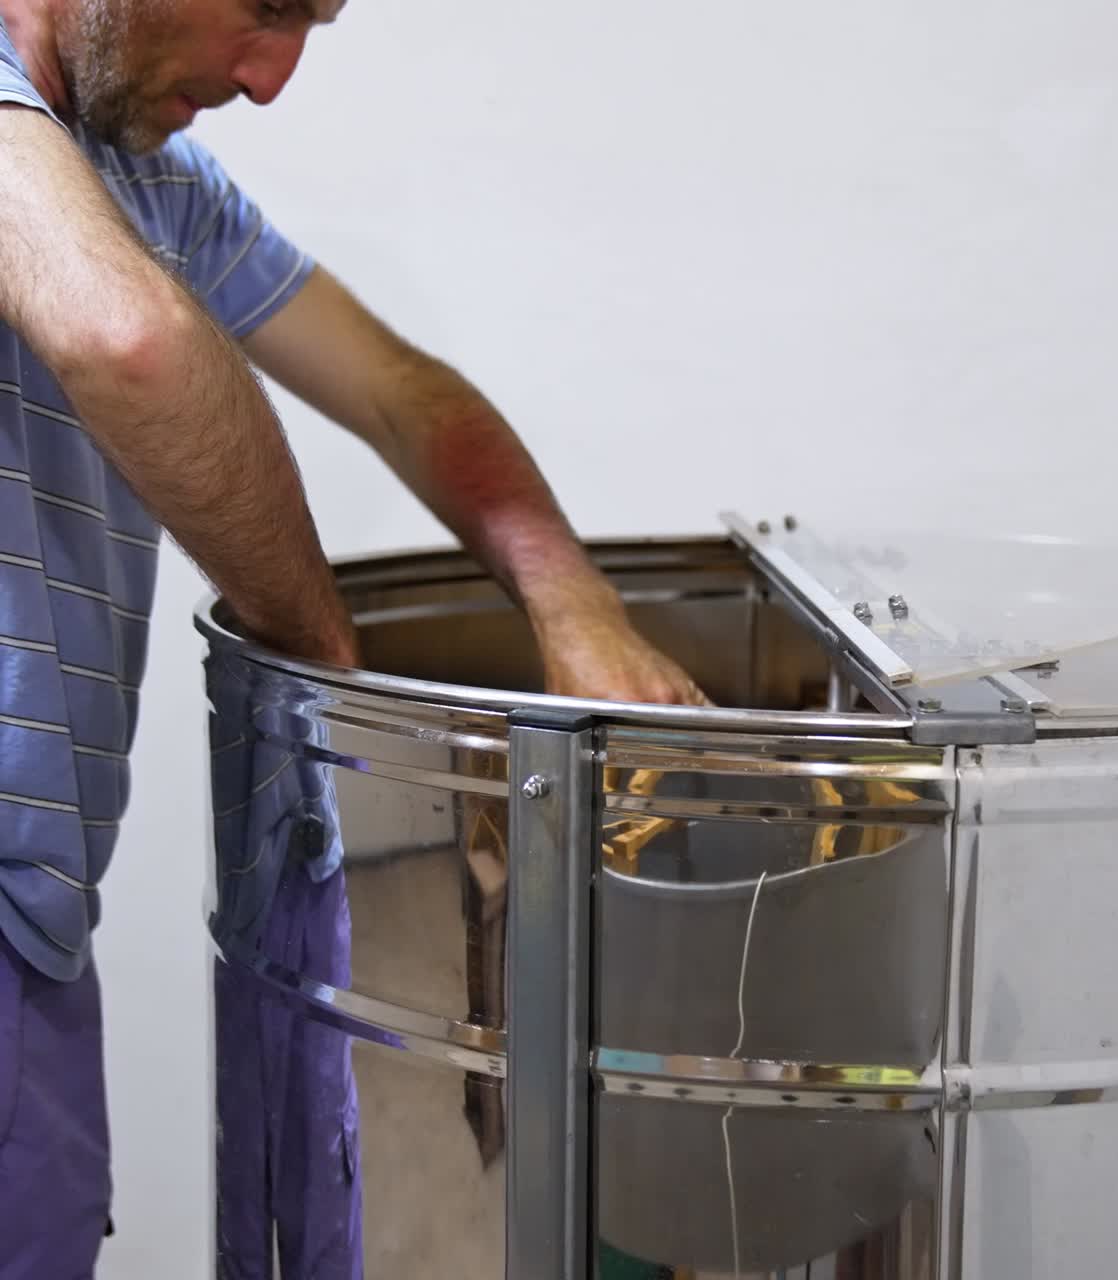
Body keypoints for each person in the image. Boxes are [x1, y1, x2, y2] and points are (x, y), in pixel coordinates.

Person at [0, 0, 708, 1273]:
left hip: (36, 933)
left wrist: (574, 604)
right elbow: (135, 344)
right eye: (269, 6)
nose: (271, 78)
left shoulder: (144, 181)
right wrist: (331, 675)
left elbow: (398, 391)